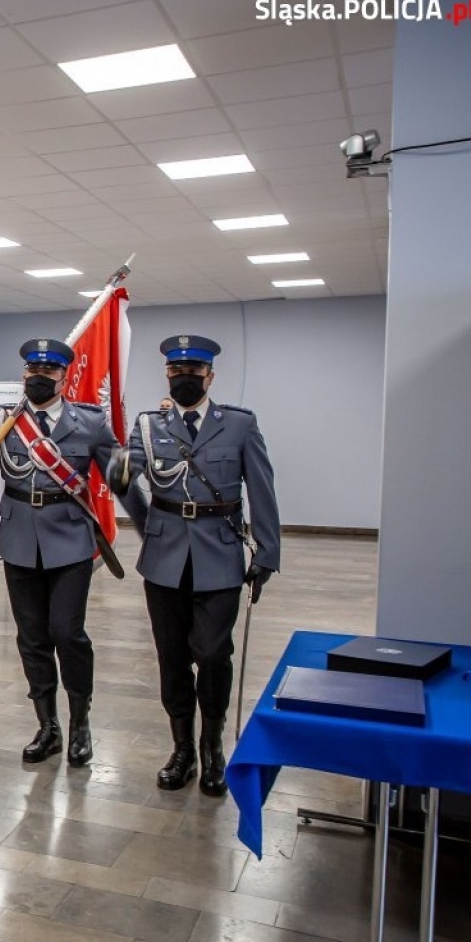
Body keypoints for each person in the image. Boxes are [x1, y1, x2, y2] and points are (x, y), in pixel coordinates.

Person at [0, 339, 132, 768]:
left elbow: (120, 478)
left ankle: (80, 721)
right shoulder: (6, 419)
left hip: (70, 540)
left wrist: (152, 525)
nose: (38, 378)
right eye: (31, 371)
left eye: (47, 373)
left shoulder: (90, 423)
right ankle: (48, 726)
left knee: (68, 632)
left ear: (64, 378)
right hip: (19, 540)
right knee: (32, 638)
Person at [110, 335, 281, 797]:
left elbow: (261, 489)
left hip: (219, 554)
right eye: (176, 371)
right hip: (165, 559)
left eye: (193, 371)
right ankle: (182, 747)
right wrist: (147, 527)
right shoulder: (150, 425)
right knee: (171, 657)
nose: (184, 377)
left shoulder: (239, 425)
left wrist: (267, 552)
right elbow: (128, 480)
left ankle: (213, 746)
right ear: (167, 374)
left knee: (211, 653)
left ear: (210, 376)